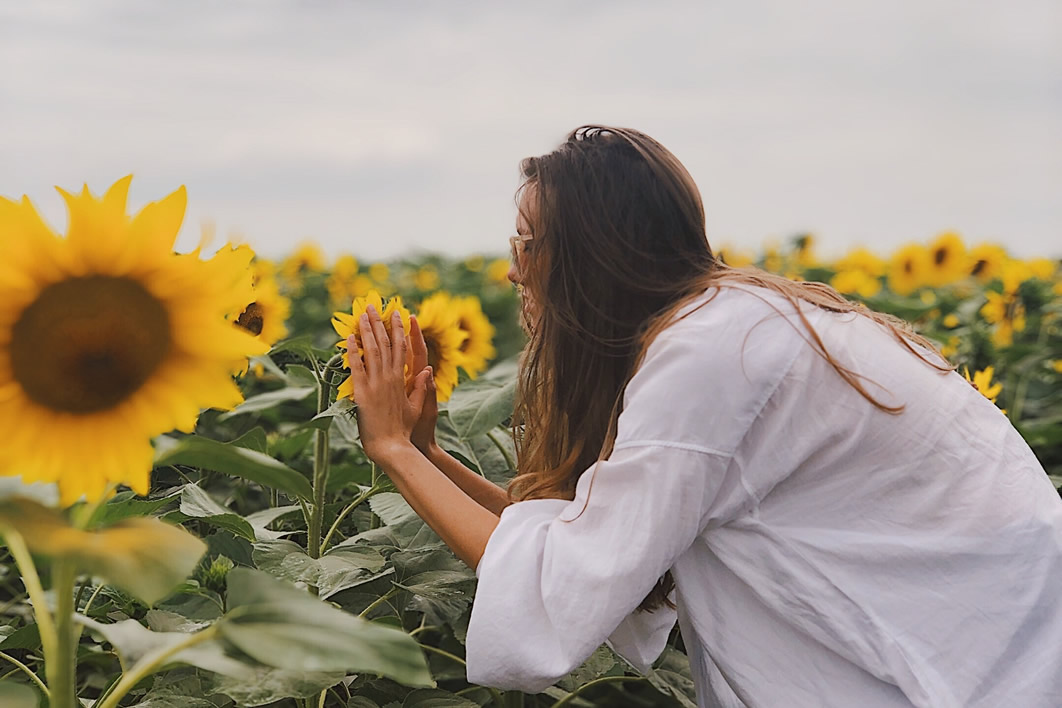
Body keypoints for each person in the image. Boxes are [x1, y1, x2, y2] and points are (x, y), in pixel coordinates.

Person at [346, 126, 1062, 707]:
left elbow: (556, 598)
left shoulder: (713, 354)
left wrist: (391, 449)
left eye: (527, 243)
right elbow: (583, 546)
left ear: (590, 254)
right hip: (981, 639)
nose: (512, 269)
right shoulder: (727, 326)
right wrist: (429, 455)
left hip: (980, 668)